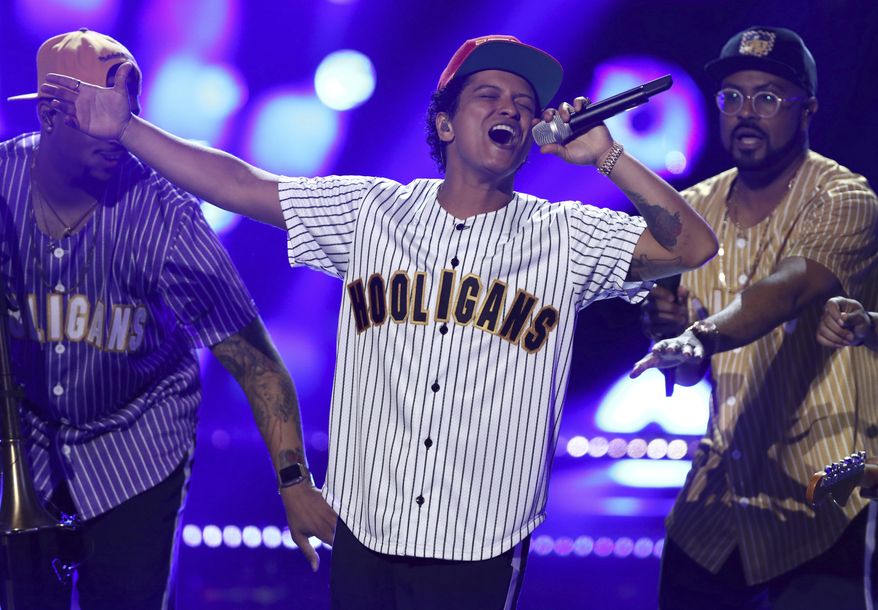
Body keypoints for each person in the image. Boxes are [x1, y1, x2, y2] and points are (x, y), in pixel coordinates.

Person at [42, 33, 717, 608]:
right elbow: (240, 185)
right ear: (447, 124)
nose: (512, 107)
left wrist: (606, 156)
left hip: (479, 543)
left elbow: (692, 246)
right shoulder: (373, 212)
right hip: (366, 530)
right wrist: (126, 127)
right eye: (490, 96)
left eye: (524, 103)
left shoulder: (566, 235)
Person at [0, 29, 335, 610]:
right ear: (52, 111)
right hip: (26, 448)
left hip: (137, 453)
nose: (119, 123)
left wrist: (293, 481)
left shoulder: (167, 213)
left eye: (129, 103)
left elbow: (256, 363)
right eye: (98, 107)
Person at [632, 25, 878, 609]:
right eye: (732, 97)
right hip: (722, 490)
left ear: (807, 109)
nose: (746, 112)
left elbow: (790, 290)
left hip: (830, 485)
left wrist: (700, 333)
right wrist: (672, 336)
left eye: (767, 98)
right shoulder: (692, 212)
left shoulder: (845, 198)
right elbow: (693, 371)